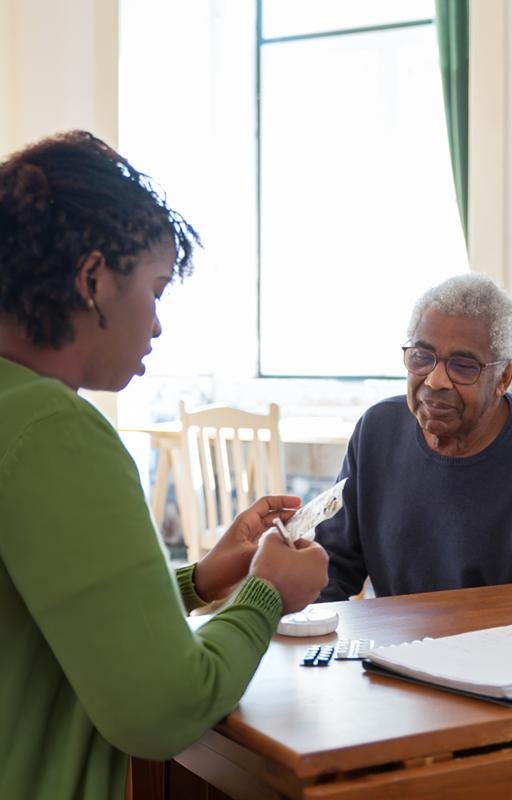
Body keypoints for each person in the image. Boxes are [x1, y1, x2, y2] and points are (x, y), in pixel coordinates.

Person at [0, 131, 329, 799]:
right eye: (154, 290)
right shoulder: (55, 431)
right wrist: (268, 594)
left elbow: (44, 615)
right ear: (92, 279)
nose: (157, 324)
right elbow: (164, 708)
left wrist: (203, 579)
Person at [315, 273, 512, 600]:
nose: (436, 380)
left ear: (504, 377)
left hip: (498, 646)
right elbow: (331, 570)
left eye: (463, 366)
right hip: (390, 644)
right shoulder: (377, 430)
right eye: (421, 357)